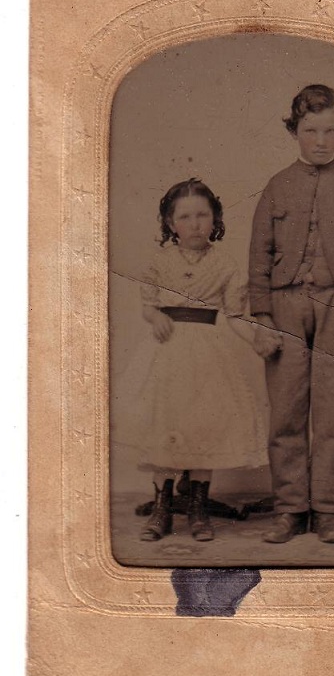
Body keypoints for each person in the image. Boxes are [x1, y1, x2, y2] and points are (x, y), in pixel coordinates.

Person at [249, 84, 334, 545]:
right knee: (286, 415)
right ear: (295, 131)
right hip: (284, 309)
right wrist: (262, 316)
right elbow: (258, 256)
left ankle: (325, 510)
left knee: (331, 418)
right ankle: (290, 510)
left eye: (331, 130)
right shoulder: (276, 186)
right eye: (311, 130)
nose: (321, 140)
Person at [113, 178, 266, 543]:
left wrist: (260, 340)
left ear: (215, 220)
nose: (195, 223)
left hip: (209, 354)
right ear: (170, 223)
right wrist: (158, 317)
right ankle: (162, 509)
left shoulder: (225, 264)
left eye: (203, 215)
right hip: (167, 353)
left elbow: (234, 315)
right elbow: (149, 308)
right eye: (185, 216)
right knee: (165, 421)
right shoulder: (158, 262)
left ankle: (198, 509)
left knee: (204, 424)